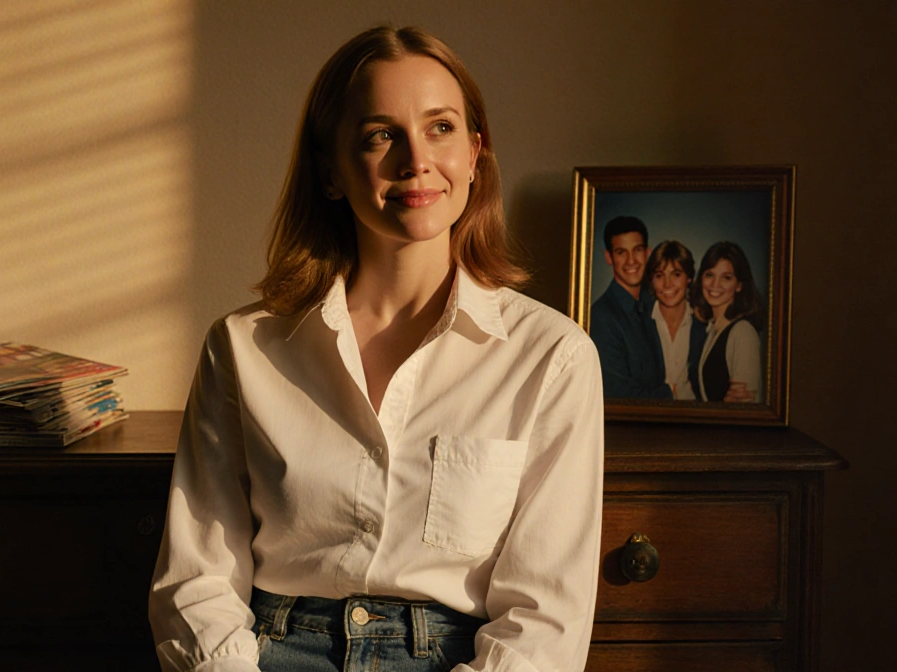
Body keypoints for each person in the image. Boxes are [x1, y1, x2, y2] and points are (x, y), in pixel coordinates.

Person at [149, 25, 603, 672]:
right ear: (330, 171)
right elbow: (197, 580)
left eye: (440, 128)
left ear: (475, 154)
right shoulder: (243, 347)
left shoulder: (552, 357)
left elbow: (545, 621)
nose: (415, 160)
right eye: (379, 135)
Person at [588, 216, 670, 399]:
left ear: (647, 252)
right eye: (621, 252)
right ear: (609, 257)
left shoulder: (655, 304)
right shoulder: (601, 318)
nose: (631, 261)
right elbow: (619, 395)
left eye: (637, 250)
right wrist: (672, 393)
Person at [690, 241, 763, 403]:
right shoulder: (713, 329)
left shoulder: (743, 333)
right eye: (710, 274)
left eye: (726, 277)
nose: (715, 285)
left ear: (739, 285)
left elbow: (743, 403)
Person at [643, 241, 706, 400]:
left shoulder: (704, 325)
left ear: (689, 278)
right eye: (659, 276)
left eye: (676, 274)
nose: (667, 284)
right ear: (651, 280)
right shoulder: (639, 322)